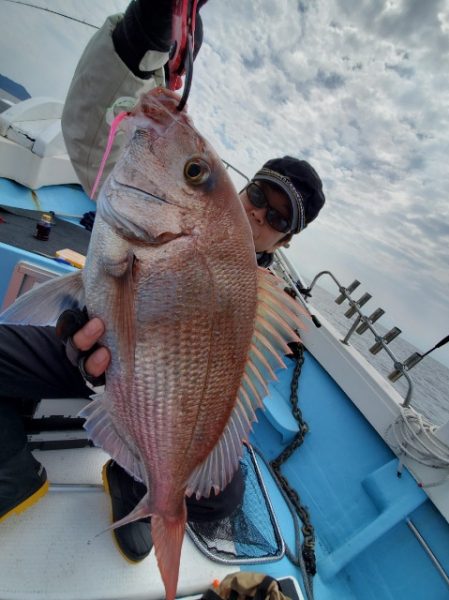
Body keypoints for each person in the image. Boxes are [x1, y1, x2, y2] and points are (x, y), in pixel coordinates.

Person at [0, 0, 325, 564]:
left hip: (160, 404)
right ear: (242, 191)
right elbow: (94, 123)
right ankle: (13, 474)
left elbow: (231, 394)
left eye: (279, 219)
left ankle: (138, 484)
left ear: (286, 241)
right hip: (100, 361)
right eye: (258, 198)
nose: (260, 218)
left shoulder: (264, 304)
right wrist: (137, 39)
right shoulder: (153, 214)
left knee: (224, 494)